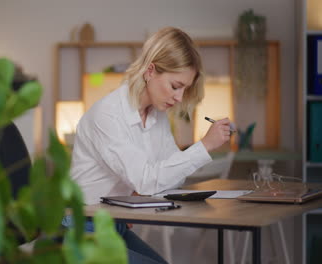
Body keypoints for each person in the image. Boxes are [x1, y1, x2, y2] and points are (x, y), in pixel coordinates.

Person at [63, 27, 232, 264]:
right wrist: (203, 146)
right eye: (175, 86)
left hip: (114, 224)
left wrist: (141, 188)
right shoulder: (108, 114)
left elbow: (173, 176)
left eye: (185, 89)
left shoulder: (156, 116)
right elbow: (148, 179)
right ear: (150, 71)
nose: (179, 98)